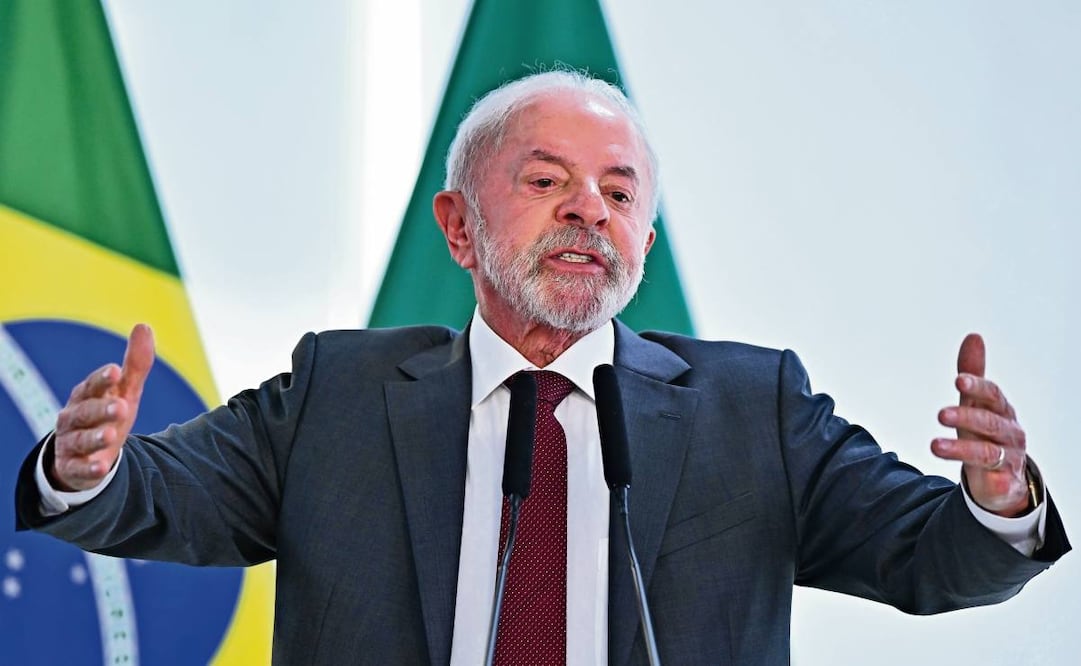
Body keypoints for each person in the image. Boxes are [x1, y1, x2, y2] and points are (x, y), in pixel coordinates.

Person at [15, 71, 1070, 665]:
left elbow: (931, 561)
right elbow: (164, 501)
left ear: (643, 247)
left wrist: (993, 503)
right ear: (460, 227)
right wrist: (88, 465)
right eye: (545, 180)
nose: (586, 212)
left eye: (618, 194)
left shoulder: (755, 411)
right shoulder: (337, 396)